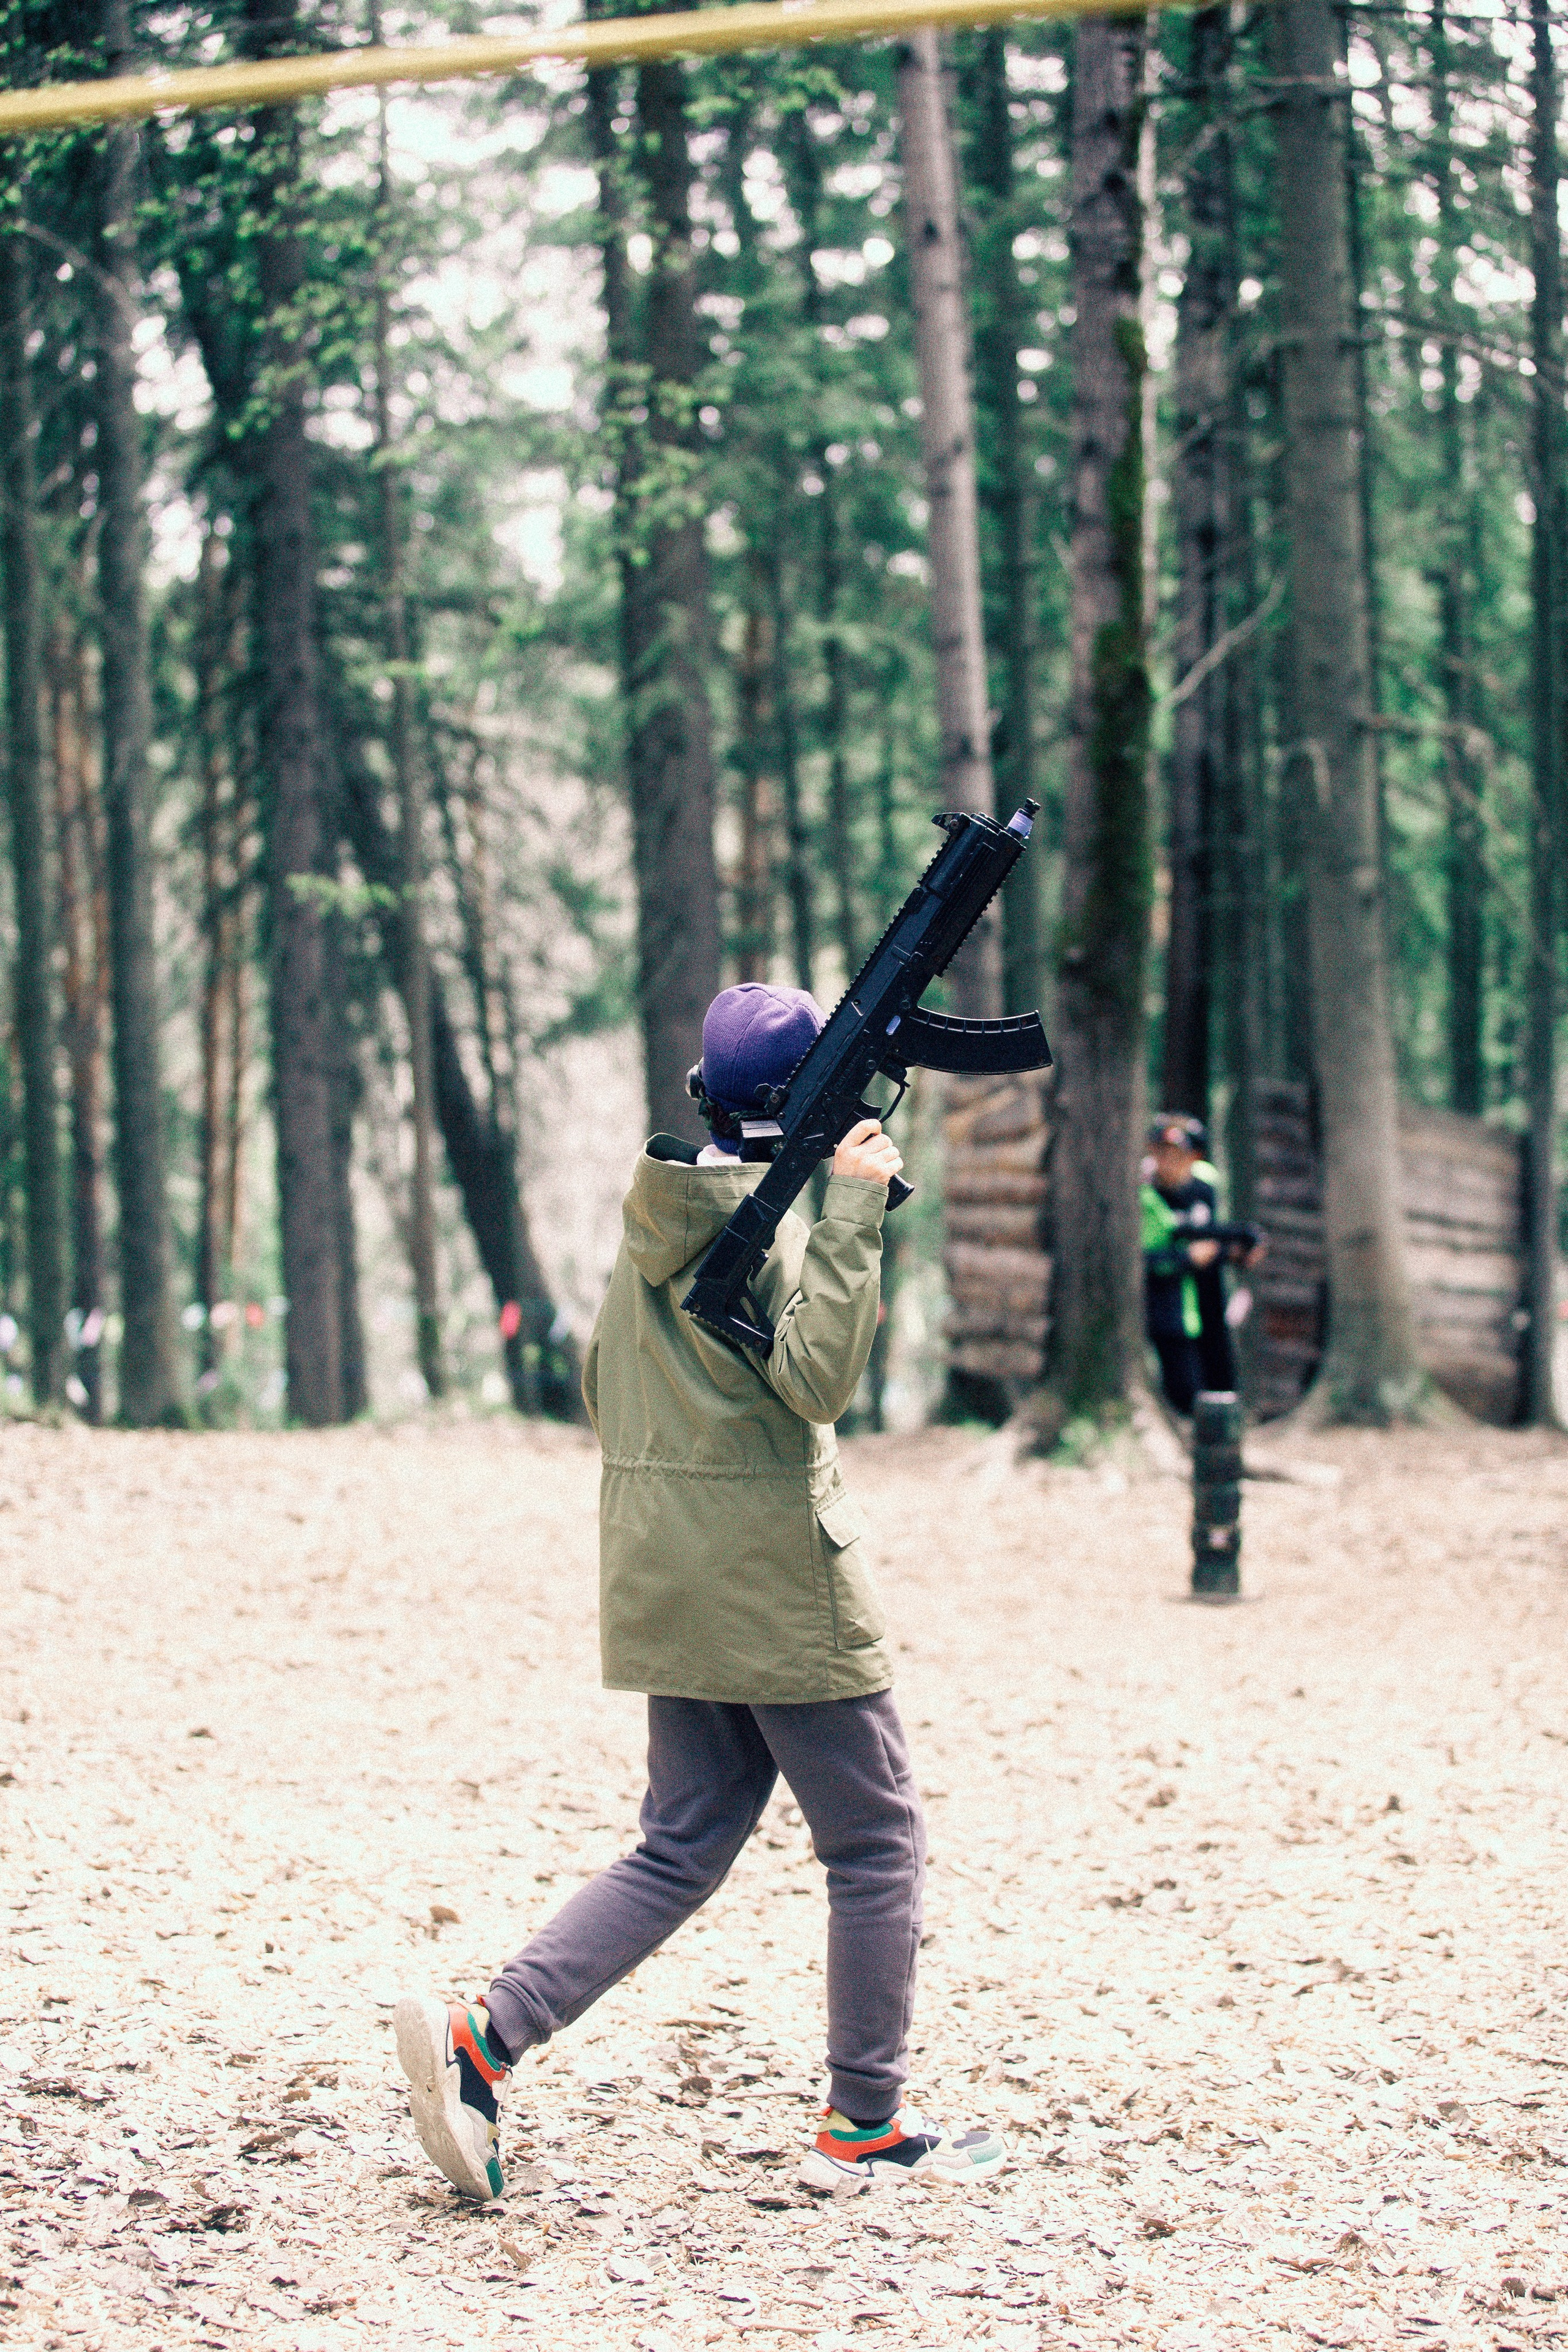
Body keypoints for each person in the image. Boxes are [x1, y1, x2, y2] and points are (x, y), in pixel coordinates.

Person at [393, 982, 1006, 2199]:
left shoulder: (655, 1216)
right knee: (878, 1844)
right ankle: (864, 2123)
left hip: (666, 1573)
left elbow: (599, 1380)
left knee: (678, 1846)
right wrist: (850, 1207)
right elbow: (820, 1378)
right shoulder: (774, 1223)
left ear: (705, 1102)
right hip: (774, 1577)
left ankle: (486, 2038)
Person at [1140, 1114, 1261, 1415]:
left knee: (1221, 1378)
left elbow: (1213, 1236)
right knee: (1185, 1390)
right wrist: (1186, 1258)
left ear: (1194, 1157)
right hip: (1168, 1309)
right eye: (1161, 1152)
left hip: (1206, 1301)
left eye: (1178, 1154)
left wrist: (1236, 1251)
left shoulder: (1205, 1186)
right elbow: (1143, 1259)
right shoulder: (1146, 1196)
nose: (1169, 1161)